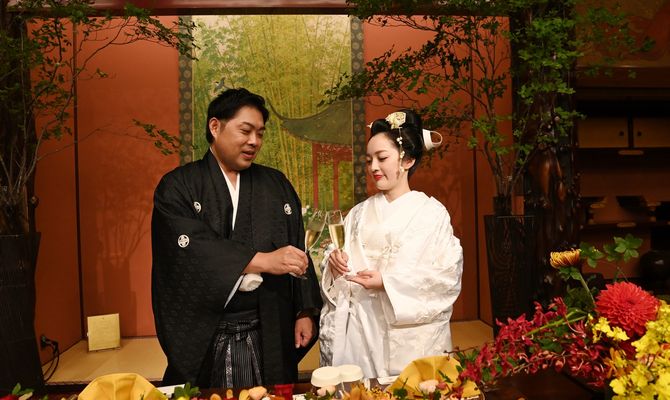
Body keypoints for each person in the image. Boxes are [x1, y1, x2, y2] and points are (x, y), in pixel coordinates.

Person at [152, 88, 322, 388]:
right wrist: (262, 261)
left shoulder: (276, 184)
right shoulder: (178, 186)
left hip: (270, 327)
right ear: (215, 126)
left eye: (260, 133)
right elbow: (190, 248)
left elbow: (297, 246)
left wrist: (304, 311)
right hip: (209, 331)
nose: (254, 141)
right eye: (245, 130)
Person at [319, 109, 463, 378]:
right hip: (361, 333)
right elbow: (337, 259)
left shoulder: (432, 214)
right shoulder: (359, 213)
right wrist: (334, 263)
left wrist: (387, 283)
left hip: (408, 336)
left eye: (382, 158)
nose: (373, 167)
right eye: (369, 160)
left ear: (407, 159)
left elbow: (446, 277)